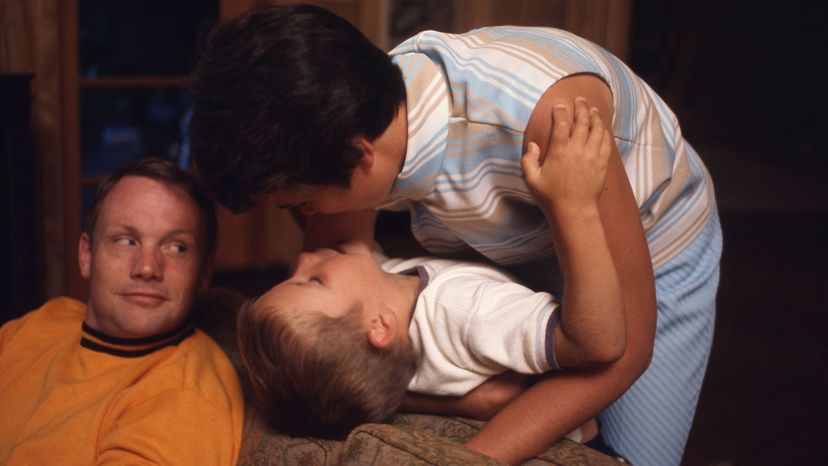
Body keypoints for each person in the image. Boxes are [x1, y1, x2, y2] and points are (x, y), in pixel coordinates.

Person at [189, 5, 722, 465]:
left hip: (652, 243)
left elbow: (621, 350)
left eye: (301, 205)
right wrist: (469, 401)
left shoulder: (549, 120)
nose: (311, 243)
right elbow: (345, 334)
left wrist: (465, 457)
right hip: (519, 238)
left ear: (361, 156)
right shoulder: (356, 113)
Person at [237, 108, 623, 449]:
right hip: (593, 442)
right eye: (314, 280)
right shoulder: (467, 313)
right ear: (380, 326)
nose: (304, 257)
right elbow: (591, 344)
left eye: (295, 274)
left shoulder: (373, 341)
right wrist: (574, 206)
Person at [0, 157, 244, 465]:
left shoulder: (185, 393)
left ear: (204, 273)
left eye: (176, 247)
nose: (147, 268)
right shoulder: (46, 320)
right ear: (86, 255)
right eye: (126, 241)